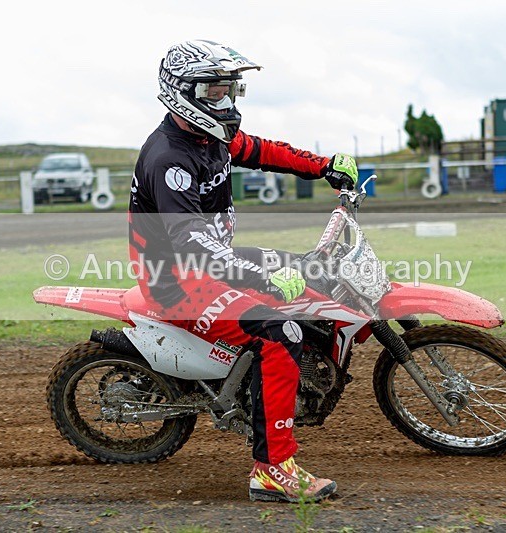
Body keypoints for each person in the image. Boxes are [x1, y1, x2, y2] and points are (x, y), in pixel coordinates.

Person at [128, 40, 358, 503]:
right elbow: (191, 245)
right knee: (281, 334)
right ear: (183, 93)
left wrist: (324, 166)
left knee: (313, 272)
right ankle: (272, 469)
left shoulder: (208, 137)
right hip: (178, 282)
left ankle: (281, 386)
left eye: (231, 90)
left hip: (212, 261)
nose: (227, 102)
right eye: (215, 92)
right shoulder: (169, 159)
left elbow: (263, 150)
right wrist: (259, 278)